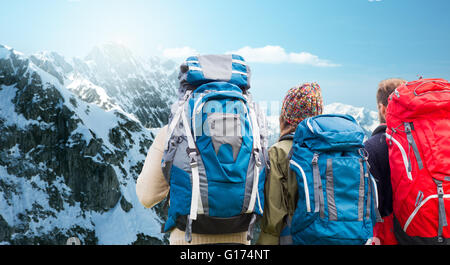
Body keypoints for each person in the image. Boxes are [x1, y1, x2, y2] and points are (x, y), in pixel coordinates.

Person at [135, 125, 251, 245]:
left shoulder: (174, 129)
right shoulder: (249, 130)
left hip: (187, 238)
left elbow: (147, 196)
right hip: (240, 238)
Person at [257, 82, 323, 245]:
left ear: (285, 117)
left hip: (291, 237)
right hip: (327, 234)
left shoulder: (279, 152)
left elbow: (274, 213)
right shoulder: (331, 150)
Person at [364, 78, 406, 245]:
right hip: (429, 232)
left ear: (382, 108)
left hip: (386, 236)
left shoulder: (371, 148)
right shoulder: (428, 146)